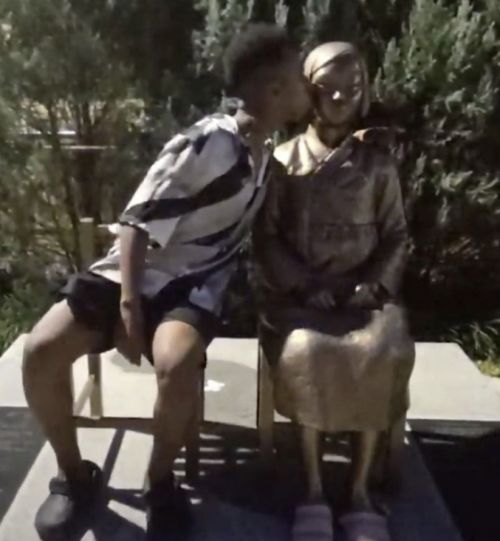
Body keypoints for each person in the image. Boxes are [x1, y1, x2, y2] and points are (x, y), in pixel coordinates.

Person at [22, 23, 309, 541]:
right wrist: (129, 307)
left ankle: (159, 482)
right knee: (41, 350)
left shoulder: (267, 153)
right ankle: (73, 475)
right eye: (298, 77)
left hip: (193, 283)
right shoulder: (209, 141)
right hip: (131, 274)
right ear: (273, 89)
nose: (306, 86)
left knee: (177, 365)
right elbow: (136, 221)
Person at [253, 42, 415, 541]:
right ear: (308, 91)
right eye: (328, 88)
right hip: (302, 300)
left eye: (352, 87)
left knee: (383, 350)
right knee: (307, 352)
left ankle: (360, 489)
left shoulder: (378, 164)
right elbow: (266, 237)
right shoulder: (283, 161)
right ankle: (314, 488)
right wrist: (303, 284)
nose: (340, 97)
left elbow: (396, 234)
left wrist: (372, 284)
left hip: (365, 299)